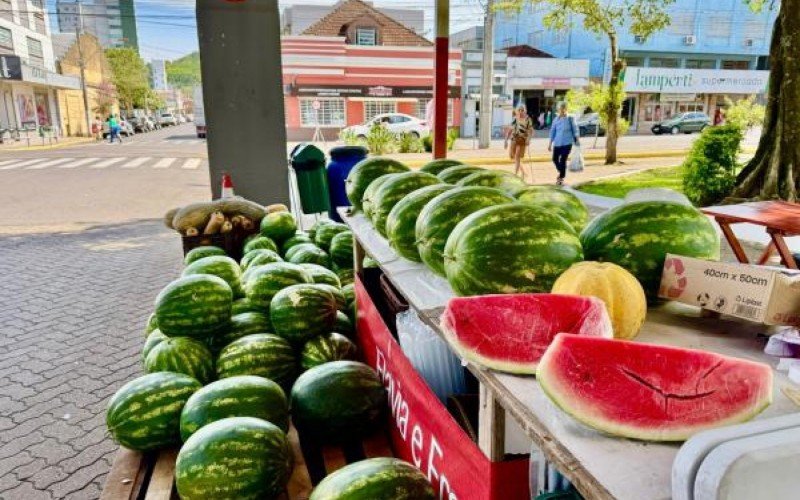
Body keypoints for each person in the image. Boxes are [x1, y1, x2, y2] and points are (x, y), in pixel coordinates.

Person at [548, 102, 580, 186]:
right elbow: (552, 131)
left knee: (563, 159)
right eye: (560, 109)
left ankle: (561, 177)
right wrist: (550, 143)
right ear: (558, 110)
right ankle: (562, 171)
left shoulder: (570, 118)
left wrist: (577, 138)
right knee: (554, 159)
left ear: (566, 109)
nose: (561, 111)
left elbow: (575, 129)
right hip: (557, 143)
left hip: (567, 142)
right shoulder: (555, 119)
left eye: (563, 109)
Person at [505, 105, 534, 181]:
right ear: (517, 111)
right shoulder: (515, 119)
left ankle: (515, 175)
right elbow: (509, 130)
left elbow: (531, 131)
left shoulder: (528, 120)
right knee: (514, 157)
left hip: (522, 140)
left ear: (525, 111)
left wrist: (528, 139)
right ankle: (523, 173)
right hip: (514, 140)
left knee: (517, 156)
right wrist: (505, 141)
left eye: (522, 110)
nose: (521, 112)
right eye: (519, 110)